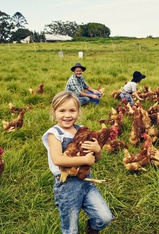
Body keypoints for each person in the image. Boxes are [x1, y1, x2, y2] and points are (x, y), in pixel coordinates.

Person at [42, 91, 113, 234]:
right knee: (71, 229)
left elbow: (95, 159)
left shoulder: (82, 130)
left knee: (105, 217)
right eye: (62, 111)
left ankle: (92, 228)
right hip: (67, 185)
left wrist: (97, 149)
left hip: (86, 182)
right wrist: (84, 159)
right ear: (54, 111)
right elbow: (58, 160)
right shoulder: (54, 134)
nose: (67, 115)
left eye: (72, 110)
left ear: (78, 111)